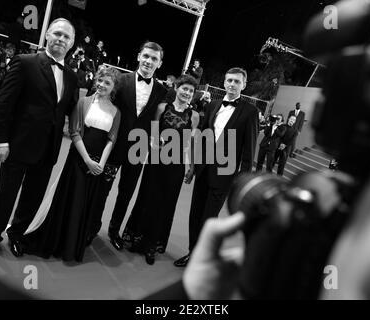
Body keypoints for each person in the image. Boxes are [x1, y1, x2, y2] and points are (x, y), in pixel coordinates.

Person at [0, 18, 78, 263]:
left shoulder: (73, 77)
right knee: (5, 195)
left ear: (72, 43)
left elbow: (72, 110)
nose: (61, 39)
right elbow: (4, 103)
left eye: (66, 37)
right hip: (18, 145)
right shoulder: (25, 62)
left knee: (32, 197)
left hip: (48, 150)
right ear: (47, 35)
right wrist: (0, 140)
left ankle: (17, 234)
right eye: (57, 33)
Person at [23, 66, 121, 262]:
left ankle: (72, 245)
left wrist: (100, 164)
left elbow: (112, 139)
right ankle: (57, 242)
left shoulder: (116, 112)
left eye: (107, 83)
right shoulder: (83, 102)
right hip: (78, 158)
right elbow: (74, 131)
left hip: (97, 165)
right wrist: (87, 160)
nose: (101, 85)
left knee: (83, 204)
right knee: (69, 199)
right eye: (100, 81)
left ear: (114, 88)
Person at [174, 67, 257, 267]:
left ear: (243, 85)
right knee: (195, 214)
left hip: (225, 175)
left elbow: (248, 152)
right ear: (224, 82)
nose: (232, 84)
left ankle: (202, 257)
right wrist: (193, 166)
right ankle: (192, 252)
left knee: (209, 218)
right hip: (203, 169)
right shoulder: (212, 105)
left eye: (237, 81)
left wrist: (241, 183)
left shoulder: (250, 112)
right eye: (229, 80)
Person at [124, 74, 200, 265]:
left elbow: (191, 142)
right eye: (184, 88)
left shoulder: (195, 116)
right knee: (147, 197)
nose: (187, 93)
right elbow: (153, 133)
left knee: (165, 204)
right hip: (156, 161)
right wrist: (156, 143)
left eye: (191, 91)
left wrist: (191, 166)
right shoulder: (161, 108)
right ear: (176, 88)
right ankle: (137, 239)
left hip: (175, 166)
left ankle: (151, 246)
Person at [103, 41, 168, 251]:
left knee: (126, 193)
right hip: (114, 144)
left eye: (154, 59)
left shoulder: (162, 91)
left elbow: (159, 121)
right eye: (146, 56)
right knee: (102, 188)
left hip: (139, 149)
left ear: (159, 64)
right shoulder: (121, 80)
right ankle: (91, 227)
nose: (149, 61)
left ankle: (114, 231)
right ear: (139, 56)